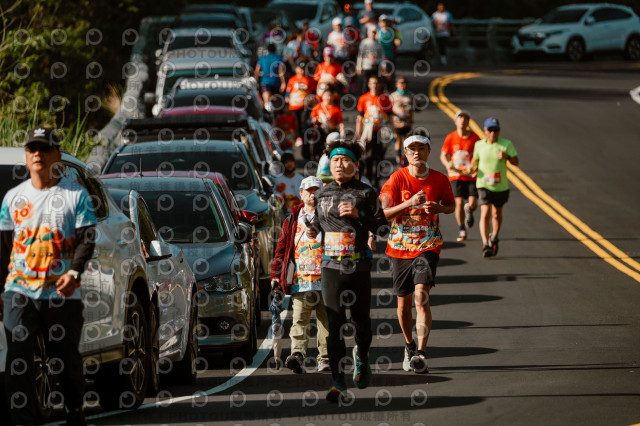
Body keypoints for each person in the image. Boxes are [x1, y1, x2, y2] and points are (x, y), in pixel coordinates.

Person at [0, 128, 97, 426]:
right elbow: (4, 247)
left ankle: (74, 410)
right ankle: (23, 419)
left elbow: (87, 238)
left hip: (60, 291)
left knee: (63, 358)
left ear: (57, 155)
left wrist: (73, 272)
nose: (38, 154)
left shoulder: (75, 195)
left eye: (44, 149)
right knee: (18, 356)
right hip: (20, 290)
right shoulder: (13, 198)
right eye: (32, 149)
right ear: (27, 157)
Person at [313, 138, 388, 402]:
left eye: (345, 160)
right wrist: (312, 229)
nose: (339, 164)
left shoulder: (366, 193)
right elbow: (316, 224)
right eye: (334, 160)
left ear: (355, 165)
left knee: (361, 323)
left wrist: (359, 216)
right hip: (330, 266)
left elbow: (382, 228)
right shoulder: (321, 194)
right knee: (334, 324)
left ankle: (362, 356)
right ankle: (337, 382)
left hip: (358, 265)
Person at [379, 135, 454, 375]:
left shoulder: (439, 179)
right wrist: (409, 203)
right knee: (404, 305)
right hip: (400, 247)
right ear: (405, 153)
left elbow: (451, 205)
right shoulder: (397, 178)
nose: (417, 153)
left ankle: (421, 353)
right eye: (412, 149)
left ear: (429, 151)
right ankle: (409, 345)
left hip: (428, 244)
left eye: (421, 148)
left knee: (421, 297)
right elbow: (384, 213)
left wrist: (439, 208)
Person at [271, 176, 330, 374]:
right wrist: (275, 275)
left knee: (326, 321)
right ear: (301, 194)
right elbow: (281, 250)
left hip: (327, 279)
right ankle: (297, 356)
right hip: (301, 280)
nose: (312, 194)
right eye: (309, 190)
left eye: (316, 190)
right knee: (299, 320)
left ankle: (325, 358)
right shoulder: (291, 220)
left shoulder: (330, 217)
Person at [471, 117, 519, 257]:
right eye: (490, 130)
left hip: (500, 186)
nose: (493, 133)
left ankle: (495, 236)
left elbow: (516, 162)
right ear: (485, 131)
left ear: (499, 131)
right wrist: (472, 168)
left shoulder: (506, 144)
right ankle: (486, 244)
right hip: (483, 185)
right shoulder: (479, 145)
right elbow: (474, 162)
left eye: (496, 130)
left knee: (496, 214)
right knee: (485, 213)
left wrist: (506, 157)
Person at [439, 110, 481, 242]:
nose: (462, 121)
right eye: (460, 118)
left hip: (471, 175)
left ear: (468, 122)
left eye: (465, 119)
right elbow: (443, 155)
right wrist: (447, 165)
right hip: (455, 175)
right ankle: (462, 229)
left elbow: (480, 155)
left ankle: (469, 210)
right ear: (455, 121)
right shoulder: (451, 137)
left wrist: (475, 165)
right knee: (458, 202)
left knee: (473, 203)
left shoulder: (475, 138)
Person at [356, 75, 392, 188]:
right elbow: (360, 116)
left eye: (376, 83)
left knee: (380, 157)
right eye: (372, 83)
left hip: (381, 131)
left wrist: (392, 131)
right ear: (368, 84)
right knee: (368, 157)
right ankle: (369, 180)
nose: (374, 85)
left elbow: (390, 115)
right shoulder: (363, 98)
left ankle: (377, 181)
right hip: (368, 132)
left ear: (380, 84)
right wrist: (358, 132)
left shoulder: (384, 98)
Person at [285, 61, 316, 148]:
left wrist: (312, 98)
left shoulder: (309, 79)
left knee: (304, 121)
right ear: (296, 69)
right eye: (300, 69)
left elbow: (314, 91)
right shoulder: (292, 79)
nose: (301, 71)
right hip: (294, 105)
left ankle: (306, 136)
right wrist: (287, 97)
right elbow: (288, 91)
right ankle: (299, 137)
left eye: (303, 69)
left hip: (305, 105)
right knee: (296, 122)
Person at [311, 90, 346, 161]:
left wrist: (342, 131)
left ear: (333, 97)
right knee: (319, 145)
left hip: (331, 130)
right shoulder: (318, 107)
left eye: (330, 96)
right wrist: (319, 119)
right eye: (326, 96)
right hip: (321, 130)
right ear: (323, 97)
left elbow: (340, 122)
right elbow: (312, 119)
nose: (328, 98)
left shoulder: (336, 108)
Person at [389, 76, 415, 168]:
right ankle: (399, 160)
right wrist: (391, 123)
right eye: (401, 83)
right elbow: (389, 111)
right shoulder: (392, 96)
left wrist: (411, 119)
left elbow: (413, 109)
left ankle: (406, 160)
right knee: (398, 140)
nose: (403, 85)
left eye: (405, 82)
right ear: (397, 84)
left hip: (407, 123)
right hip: (397, 123)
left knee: (407, 142)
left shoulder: (410, 95)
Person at [255, 43, 286, 112]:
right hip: (275, 81)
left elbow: (257, 71)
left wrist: (257, 81)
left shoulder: (262, 58)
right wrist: (283, 82)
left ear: (267, 50)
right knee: (276, 101)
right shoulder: (279, 58)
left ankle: (267, 113)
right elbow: (281, 71)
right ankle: (275, 114)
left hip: (265, 81)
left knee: (267, 102)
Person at [356, 24, 383, 95]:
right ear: (368, 33)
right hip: (366, 66)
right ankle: (365, 96)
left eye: (374, 32)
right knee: (365, 83)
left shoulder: (378, 43)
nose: (373, 34)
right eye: (371, 32)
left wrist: (382, 66)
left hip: (375, 66)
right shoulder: (364, 42)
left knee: (375, 82)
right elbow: (360, 55)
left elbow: (381, 56)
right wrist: (359, 66)